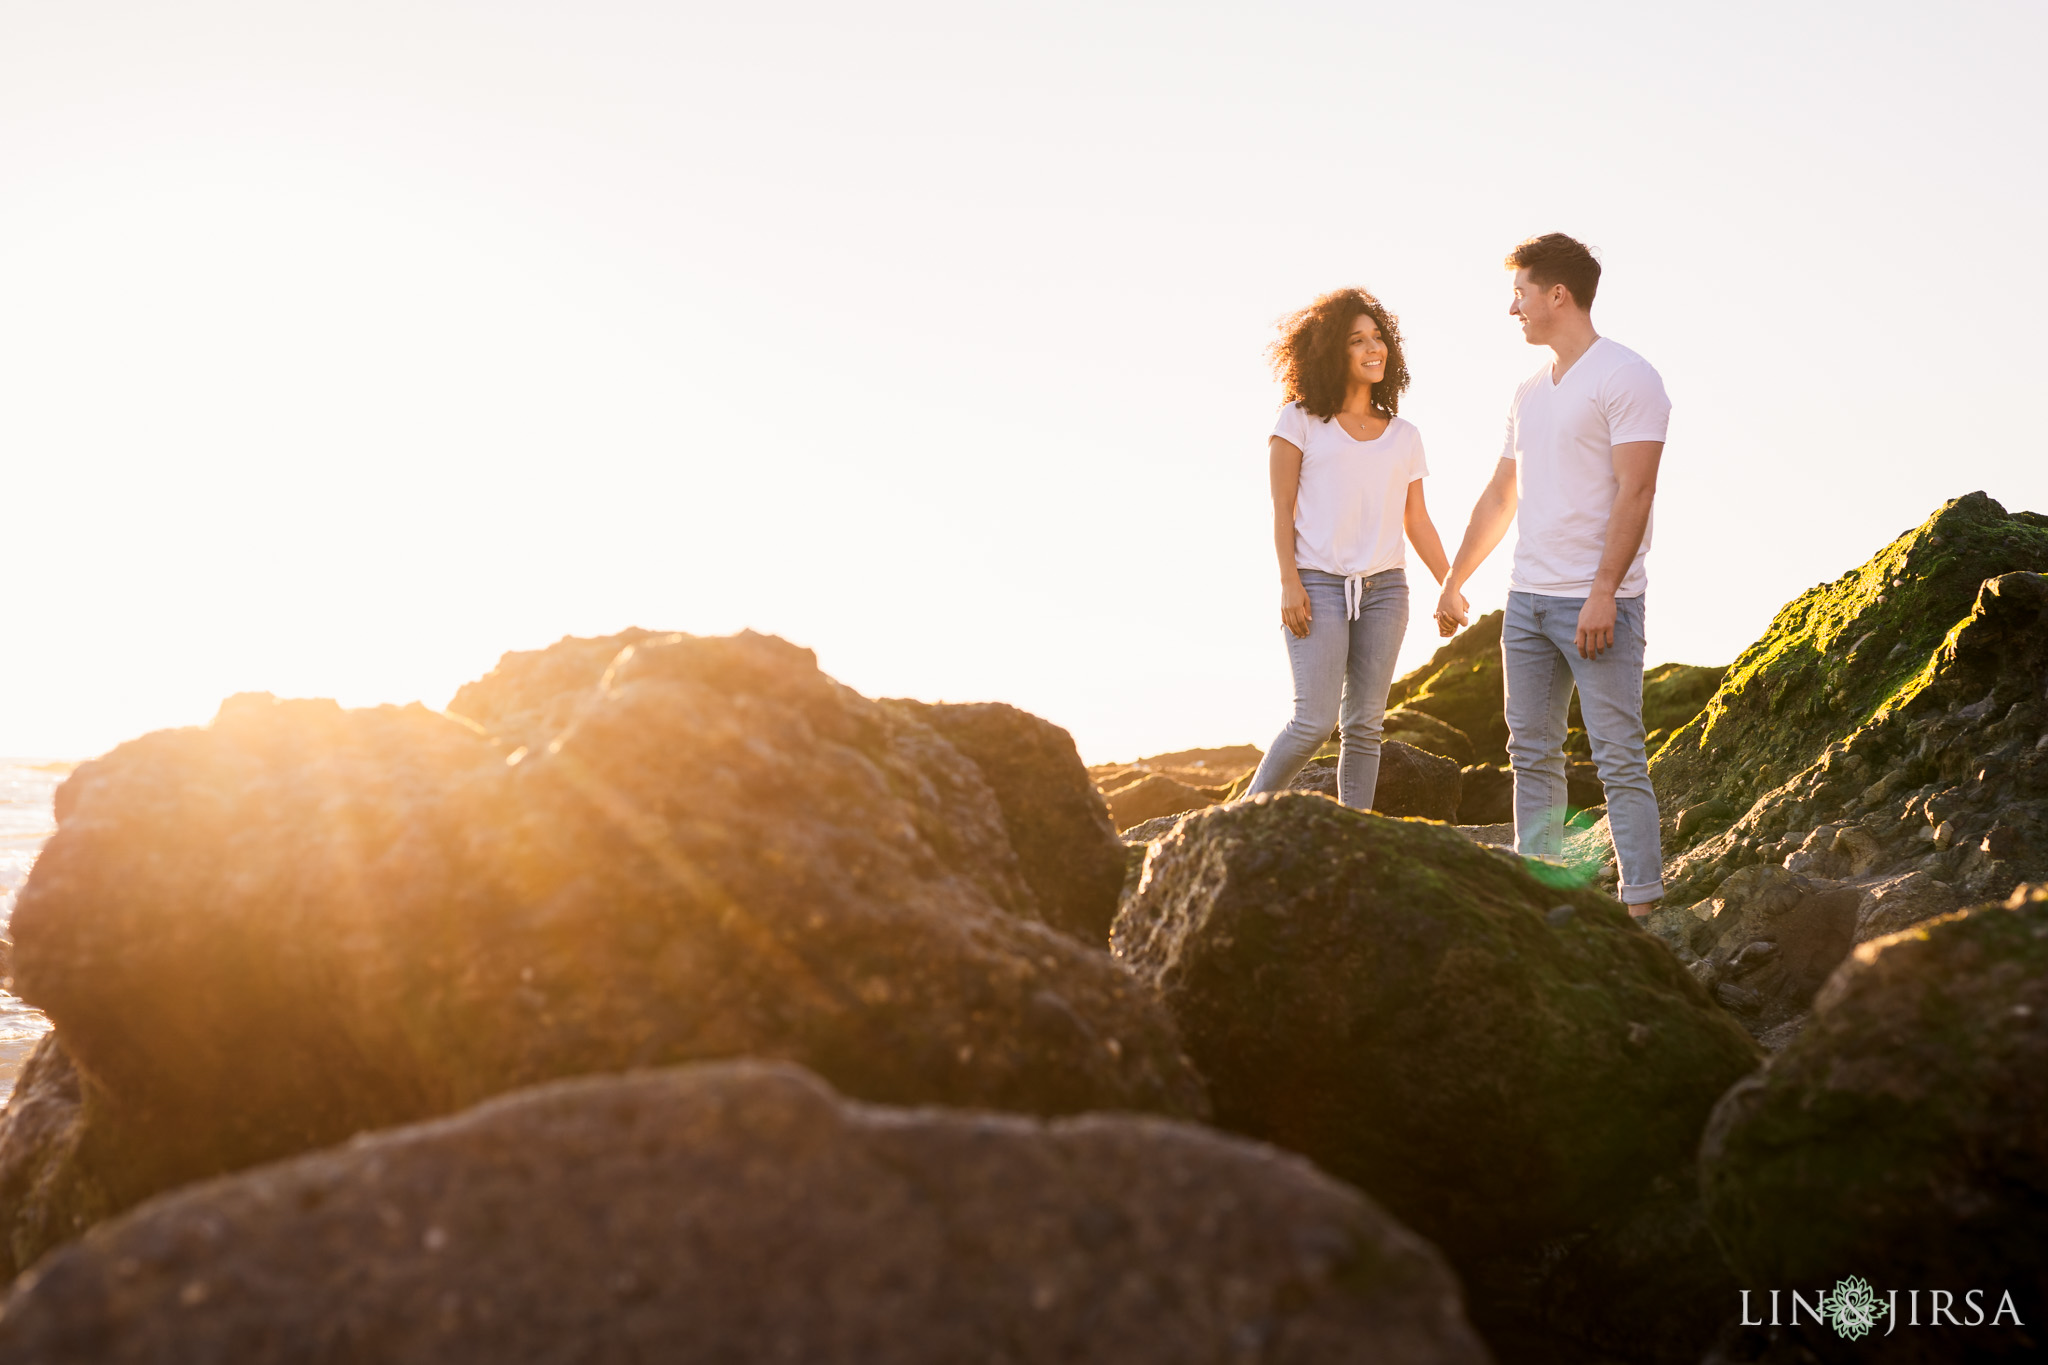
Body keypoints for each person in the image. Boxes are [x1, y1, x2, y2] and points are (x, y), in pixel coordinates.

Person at [1435, 233, 1671, 919]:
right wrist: (1455, 578)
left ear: (1557, 295)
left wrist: (1602, 593)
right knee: (1532, 754)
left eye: (1521, 293)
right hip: (1528, 603)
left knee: (1617, 757)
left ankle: (1644, 910)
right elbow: (1501, 493)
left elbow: (1637, 492)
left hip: (1600, 605)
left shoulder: (1628, 376)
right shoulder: (1528, 391)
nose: (1514, 308)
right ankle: (1540, 901)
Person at [1243, 288, 1452, 810]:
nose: (1372, 348)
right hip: (1316, 583)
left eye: (1378, 338)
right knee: (1313, 720)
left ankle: (1354, 829)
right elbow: (1281, 511)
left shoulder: (1404, 435)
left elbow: (1417, 520)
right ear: (1332, 352)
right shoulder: (1298, 421)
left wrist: (1450, 584)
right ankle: (1238, 817)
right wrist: (1289, 582)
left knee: (1364, 725)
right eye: (1357, 340)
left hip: (1386, 590)